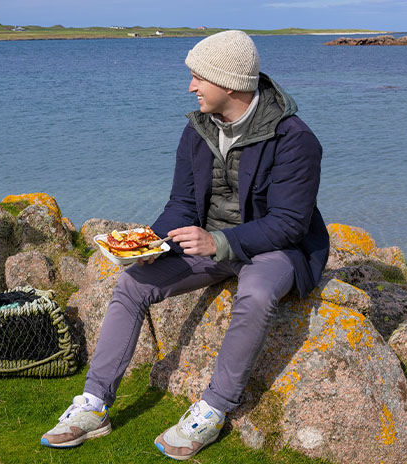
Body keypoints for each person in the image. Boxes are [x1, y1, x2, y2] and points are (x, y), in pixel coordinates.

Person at [40, 30, 330, 460]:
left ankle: (213, 409)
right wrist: (150, 243)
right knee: (133, 284)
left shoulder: (294, 139)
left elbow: (289, 223)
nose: (191, 86)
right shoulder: (197, 130)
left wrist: (218, 241)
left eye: (198, 77)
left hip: (274, 250)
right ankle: (94, 404)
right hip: (207, 244)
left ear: (229, 83)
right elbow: (181, 203)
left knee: (257, 292)